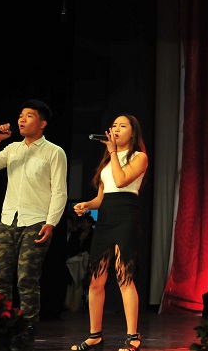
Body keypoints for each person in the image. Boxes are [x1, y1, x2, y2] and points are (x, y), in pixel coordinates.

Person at [0, 99, 68, 350]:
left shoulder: (54, 152)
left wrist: (51, 223)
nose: (21, 119)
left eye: (29, 116)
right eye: (20, 115)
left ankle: (25, 330)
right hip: (8, 220)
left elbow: (59, 191)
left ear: (42, 123)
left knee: (27, 278)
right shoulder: (13, 149)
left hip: (35, 221)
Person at [71, 113, 149, 351]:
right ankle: (94, 334)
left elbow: (122, 180)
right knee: (96, 281)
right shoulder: (107, 162)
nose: (115, 129)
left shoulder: (139, 157)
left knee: (124, 277)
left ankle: (133, 336)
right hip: (105, 219)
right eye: (114, 125)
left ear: (132, 133)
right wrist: (88, 205)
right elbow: (101, 197)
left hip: (126, 217)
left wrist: (113, 152)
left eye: (122, 126)